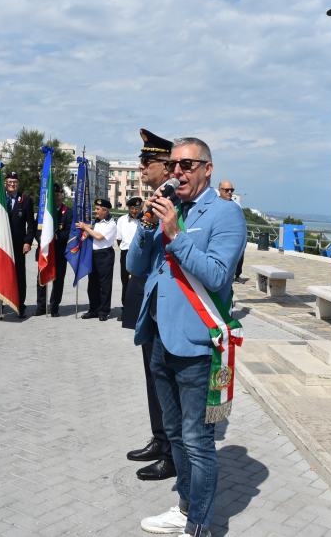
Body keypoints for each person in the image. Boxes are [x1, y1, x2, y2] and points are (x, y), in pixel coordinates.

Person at [129, 137, 246, 537]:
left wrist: (175, 234)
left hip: (198, 342)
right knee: (175, 434)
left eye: (187, 165)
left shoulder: (226, 214)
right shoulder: (171, 208)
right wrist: (148, 227)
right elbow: (135, 265)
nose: (177, 172)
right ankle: (183, 506)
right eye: (174, 165)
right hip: (162, 336)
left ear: (207, 169)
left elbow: (216, 276)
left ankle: (200, 524)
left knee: (198, 440)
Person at [124, 129, 177, 482]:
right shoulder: (153, 201)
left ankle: (173, 451)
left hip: (171, 305)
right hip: (149, 300)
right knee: (152, 376)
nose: (141, 167)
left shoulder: (172, 201)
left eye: (147, 162)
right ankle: (160, 439)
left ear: (166, 166)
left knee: (168, 381)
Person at [0, 171, 36, 318]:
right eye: (9, 182)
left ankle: (19, 306)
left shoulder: (26, 199)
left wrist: (28, 241)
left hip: (18, 245)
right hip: (1, 243)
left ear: (18, 184)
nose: (12, 184)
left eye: (15, 182)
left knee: (19, 276)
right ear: (5, 183)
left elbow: (31, 224)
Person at [35, 184, 72, 317]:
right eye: (54, 194)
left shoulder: (68, 212)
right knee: (41, 279)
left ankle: (54, 306)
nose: (57, 196)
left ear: (62, 195)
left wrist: (56, 237)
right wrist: (43, 240)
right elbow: (37, 229)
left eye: (59, 193)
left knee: (58, 281)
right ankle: (40, 306)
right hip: (45, 251)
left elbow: (69, 231)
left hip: (60, 252)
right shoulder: (43, 211)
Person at [77, 198, 117, 321]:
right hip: (93, 254)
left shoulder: (111, 223)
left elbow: (99, 237)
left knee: (104, 284)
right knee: (92, 284)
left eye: (98, 209)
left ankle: (104, 311)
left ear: (105, 210)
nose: (96, 211)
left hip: (105, 255)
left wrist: (86, 228)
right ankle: (93, 309)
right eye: (95, 209)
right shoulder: (96, 222)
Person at [116, 196, 142, 318]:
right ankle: (125, 308)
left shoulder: (145, 220)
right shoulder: (121, 220)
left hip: (141, 254)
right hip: (126, 253)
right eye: (132, 208)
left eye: (137, 208)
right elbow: (119, 239)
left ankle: (139, 310)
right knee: (125, 281)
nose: (135, 211)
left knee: (140, 282)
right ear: (129, 208)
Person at [218, 180, 245, 281]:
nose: (229, 192)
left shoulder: (237, 206)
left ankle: (236, 275)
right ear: (220, 190)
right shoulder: (213, 204)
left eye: (231, 190)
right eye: (226, 190)